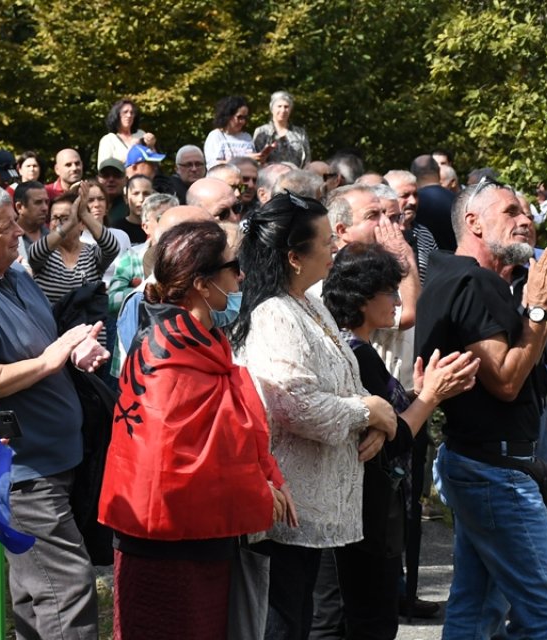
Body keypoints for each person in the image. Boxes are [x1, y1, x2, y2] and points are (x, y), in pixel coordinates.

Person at [100, 220, 288, 640]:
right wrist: (261, 489)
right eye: (233, 266)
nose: (241, 276)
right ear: (203, 285)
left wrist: (266, 475)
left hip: (199, 535)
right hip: (163, 542)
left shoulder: (197, 340)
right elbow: (177, 461)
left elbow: (224, 436)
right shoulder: (167, 351)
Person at [415, 181, 547, 637]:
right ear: (473, 222)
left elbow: (524, 365)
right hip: (495, 471)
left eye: (528, 211)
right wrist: (536, 306)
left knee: (477, 609)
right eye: (511, 210)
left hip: (484, 463)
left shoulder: (459, 277)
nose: (525, 220)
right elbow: (506, 381)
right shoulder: (472, 281)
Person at [0, 182, 109, 640]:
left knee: (39, 592)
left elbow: (45, 341)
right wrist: (46, 362)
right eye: (6, 225)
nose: (20, 230)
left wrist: (76, 351)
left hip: (57, 461)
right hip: (23, 473)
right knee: (68, 589)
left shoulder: (15, 274)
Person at [230, 192, 398, 640]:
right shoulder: (275, 315)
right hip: (288, 503)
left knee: (302, 619)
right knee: (283, 624)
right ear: (293, 257)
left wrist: (373, 420)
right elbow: (295, 404)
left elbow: (342, 377)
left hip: (314, 499)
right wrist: (369, 409)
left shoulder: (309, 303)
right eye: (325, 242)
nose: (334, 249)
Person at [318, 242, 478, 638]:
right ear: (361, 298)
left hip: (357, 515)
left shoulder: (347, 347)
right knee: (366, 620)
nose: (396, 300)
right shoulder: (356, 353)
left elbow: (389, 419)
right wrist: (431, 396)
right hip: (366, 516)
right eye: (389, 290)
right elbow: (394, 439)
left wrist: (411, 395)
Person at [27, 180, 121, 310]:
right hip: (53, 329)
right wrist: (70, 223)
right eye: (55, 218)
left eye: (66, 217)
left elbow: (112, 247)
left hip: (90, 327)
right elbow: (34, 253)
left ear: (82, 224)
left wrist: (83, 214)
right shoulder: (45, 254)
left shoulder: (92, 254)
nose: (59, 223)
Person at [252, 91, 311, 166]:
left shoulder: (300, 133)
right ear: (272, 109)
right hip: (269, 175)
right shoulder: (262, 132)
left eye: (286, 107)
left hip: (296, 175)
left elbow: (307, 160)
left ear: (290, 110)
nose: (283, 110)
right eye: (279, 106)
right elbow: (256, 160)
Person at [98, 98, 155, 167]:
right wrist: (132, 151)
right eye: (125, 112)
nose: (129, 115)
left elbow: (155, 164)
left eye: (132, 113)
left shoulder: (141, 134)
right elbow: (103, 168)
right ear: (117, 115)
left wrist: (151, 146)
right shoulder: (108, 140)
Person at [204, 95, 258, 166]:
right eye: (239, 117)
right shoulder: (215, 136)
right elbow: (213, 164)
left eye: (245, 118)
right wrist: (244, 159)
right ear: (228, 116)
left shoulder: (247, 137)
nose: (243, 121)